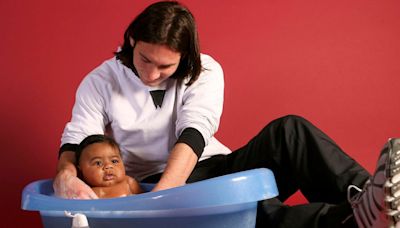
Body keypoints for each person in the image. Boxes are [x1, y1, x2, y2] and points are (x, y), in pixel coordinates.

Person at [53, 1, 400, 227]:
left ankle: (373, 198)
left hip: (203, 167)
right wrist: (66, 176)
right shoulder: (100, 81)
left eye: (165, 66)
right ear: (131, 41)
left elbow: (194, 132)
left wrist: (167, 194)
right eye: (145, 59)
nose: (152, 74)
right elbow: (77, 137)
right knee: (252, 208)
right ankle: (353, 220)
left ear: (185, 59)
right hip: (151, 184)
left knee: (289, 131)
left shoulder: (205, 70)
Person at [75, 134, 142, 198]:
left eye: (114, 161)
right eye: (98, 163)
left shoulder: (129, 183)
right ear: (80, 169)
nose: (108, 166)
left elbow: (144, 201)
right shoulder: (84, 191)